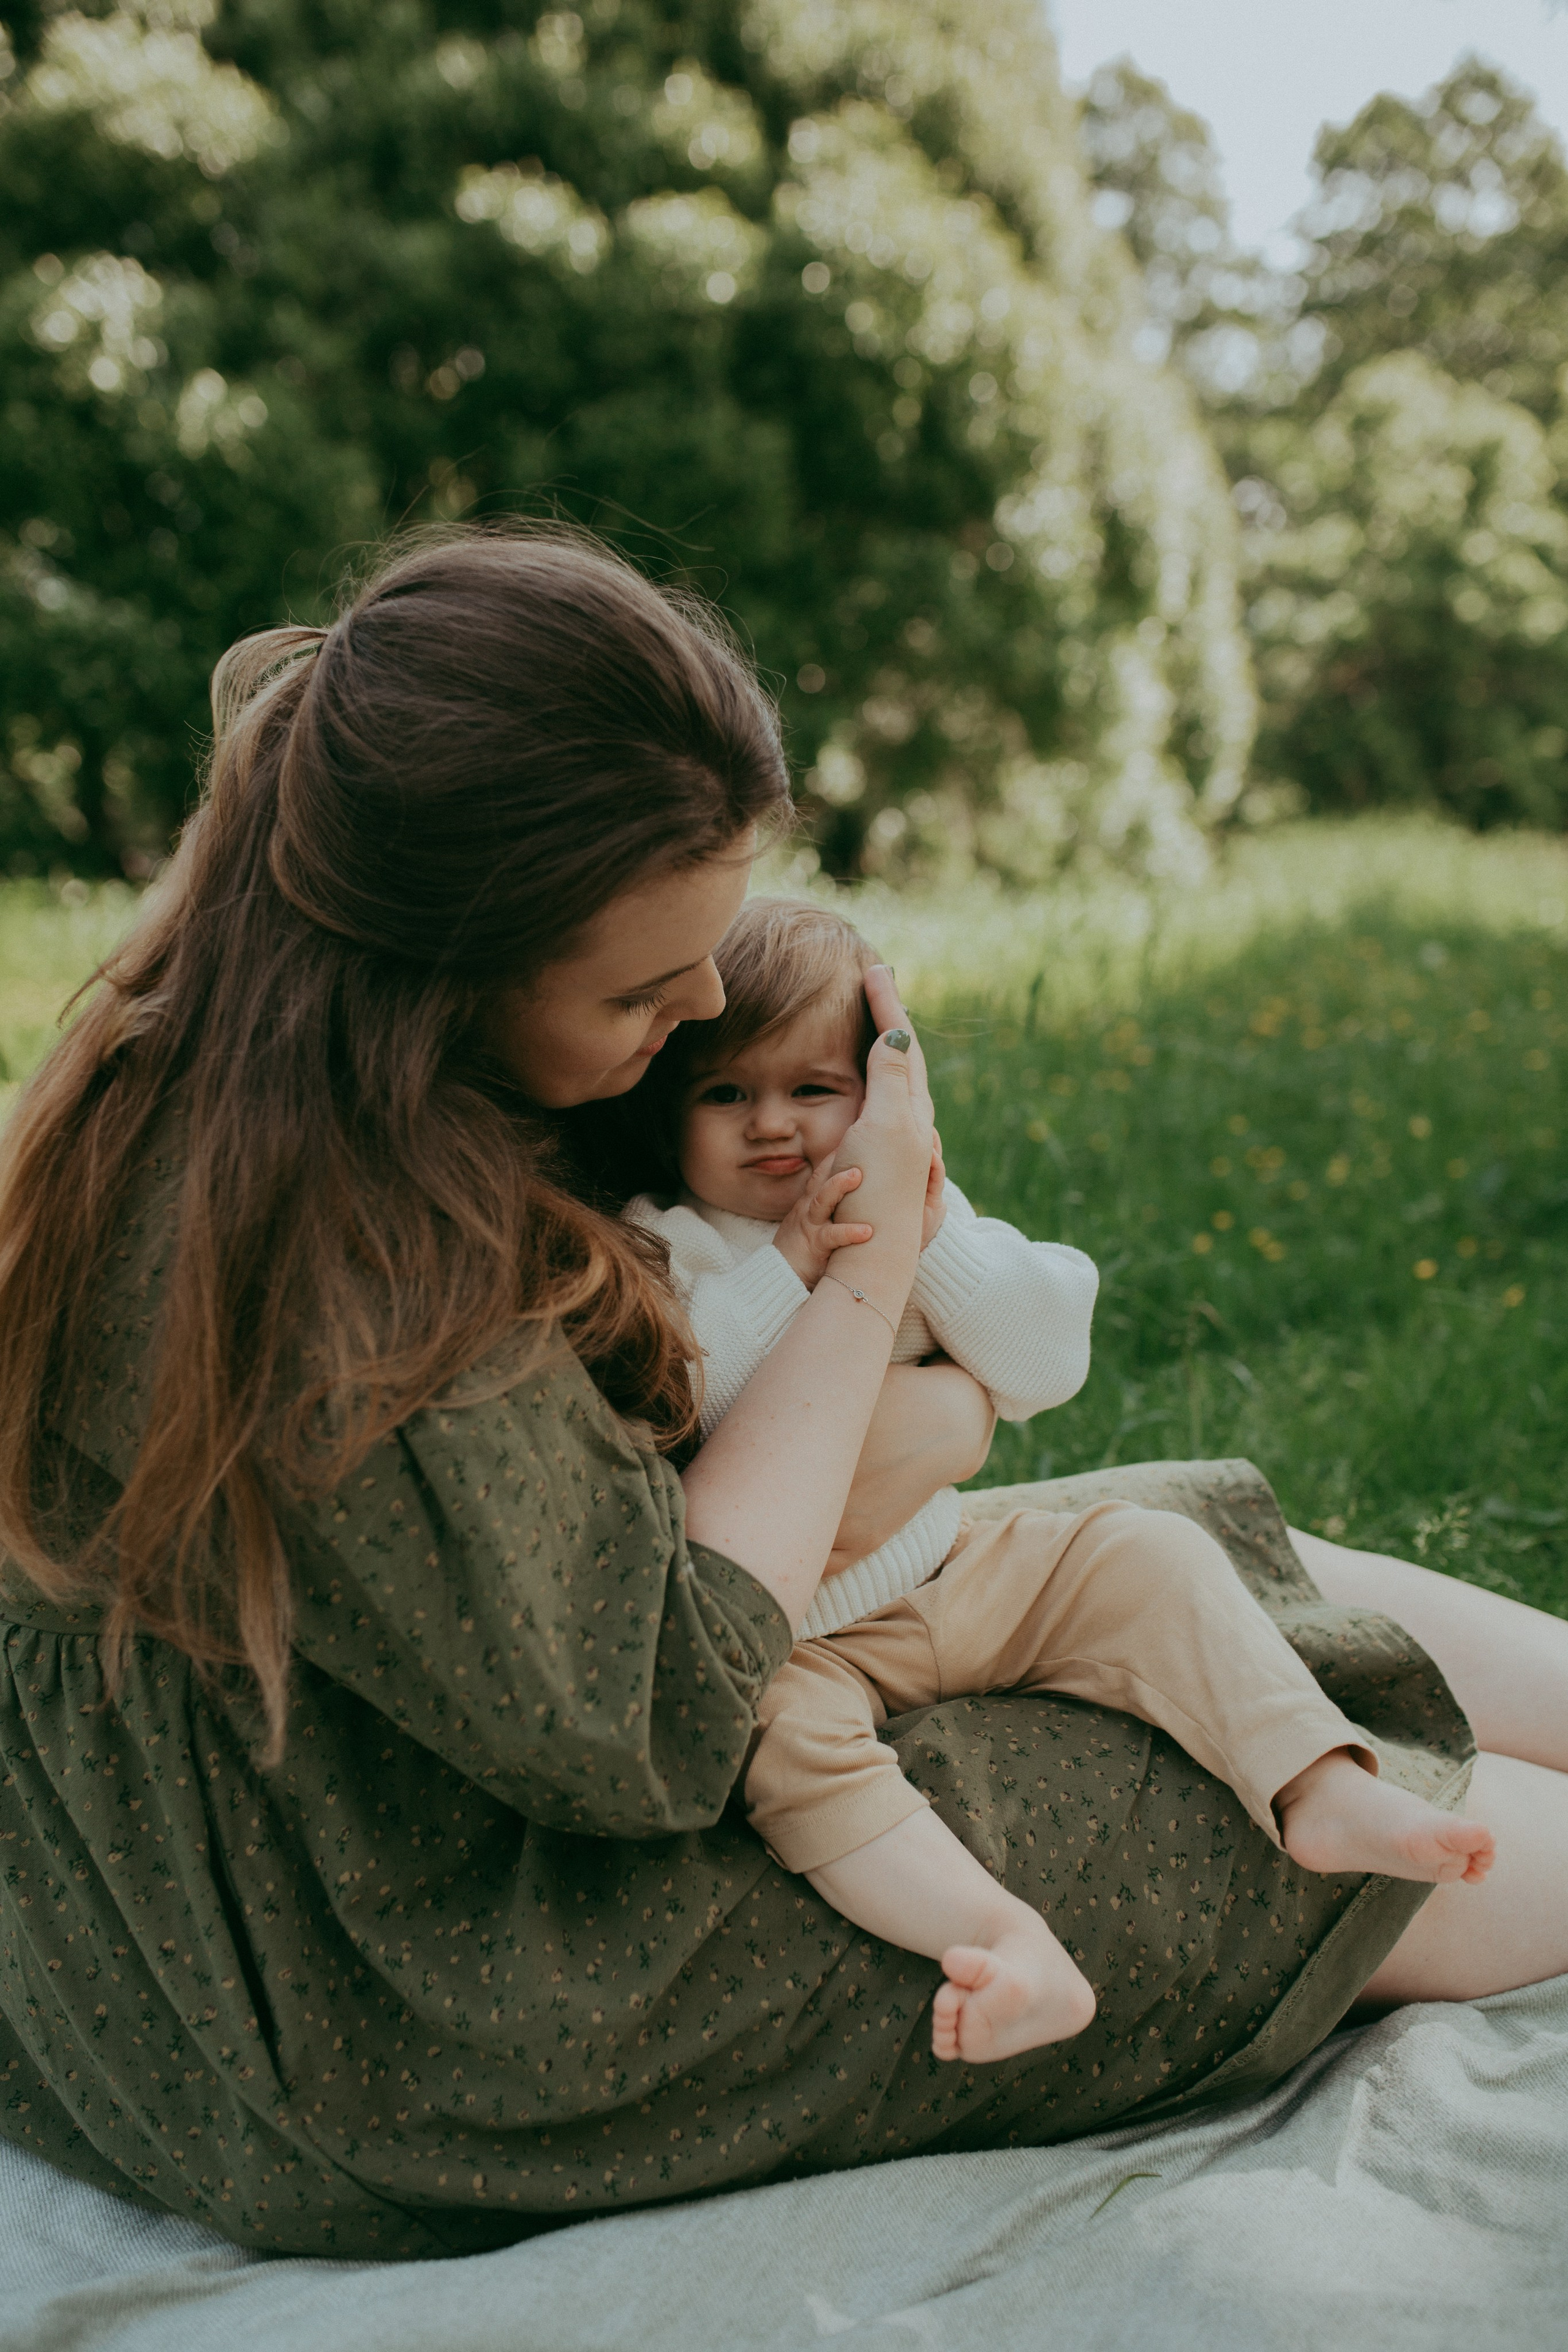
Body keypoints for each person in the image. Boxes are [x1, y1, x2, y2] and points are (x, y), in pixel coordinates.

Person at [0, 526, 1563, 2265]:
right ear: (442, 953)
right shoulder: (354, 1251)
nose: (695, 1019)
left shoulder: (225, 1062)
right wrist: (879, 1267)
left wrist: (938, 1427)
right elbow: (658, 1701)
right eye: (639, 988)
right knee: (1323, 1824)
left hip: (291, 1857)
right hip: (417, 1979)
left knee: (1196, 1548)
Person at [622, 900, 1496, 2064]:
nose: (773, 1125)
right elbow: (706, 1400)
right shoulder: (669, 1245)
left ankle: (1315, 1783)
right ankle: (997, 1939)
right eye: (725, 1095)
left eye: (815, 1089)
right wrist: (803, 1260)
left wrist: (917, 1224)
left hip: (954, 1572)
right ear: (668, 1113)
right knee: (780, 1750)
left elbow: (1044, 1363)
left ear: (880, 1104)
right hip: (802, 1644)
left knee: (1147, 1552)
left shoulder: (917, 1209)